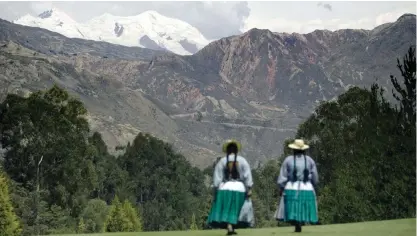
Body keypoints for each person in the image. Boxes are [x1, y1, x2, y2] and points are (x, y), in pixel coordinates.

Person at [207, 139, 254, 235]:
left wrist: (215, 190)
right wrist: (249, 188)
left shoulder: (222, 161)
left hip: (225, 188)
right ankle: (231, 225)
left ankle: (229, 226)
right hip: (239, 188)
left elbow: (217, 178)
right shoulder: (242, 160)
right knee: (235, 209)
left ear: (227, 150)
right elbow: (247, 175)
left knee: (227, 209)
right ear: (236, 150)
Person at [274, 139, 319, 232]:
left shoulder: (288, 160)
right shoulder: (309, 160)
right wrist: (314, 185)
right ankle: (300, 222)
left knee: (293, 207)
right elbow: (315, 177)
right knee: (303, 206)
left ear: (293, 149)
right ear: (304, 150)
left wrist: (281, 187)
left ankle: (297, 223)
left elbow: (283, 176)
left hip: (291, 187)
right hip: (306, 187)